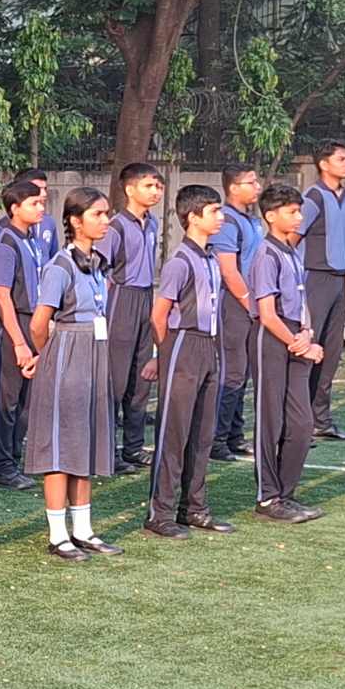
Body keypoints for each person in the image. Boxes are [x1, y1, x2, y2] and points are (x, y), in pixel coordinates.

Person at [25, 187, 123, 559]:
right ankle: (58, 535)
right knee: (60, 448)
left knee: (86, 443)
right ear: (75, 221)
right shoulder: (60, 266)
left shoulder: (98, 262)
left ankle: (83, 530)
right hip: (67, 355)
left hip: (94, 355)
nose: (105, 220)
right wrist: (47, 356)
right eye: (97, 214)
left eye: (106, 213)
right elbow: (39, 324)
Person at [142, 184, 232, 537]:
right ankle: (160, 513)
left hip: (208, 345)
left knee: (202, 433)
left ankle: (194, 508)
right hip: (183, 344)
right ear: (193, 217)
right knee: (174, 432)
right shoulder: (180, 262)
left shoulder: (211, 257)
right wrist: (163, 355)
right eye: (214, 211)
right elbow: (159, 315)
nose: (220, 217)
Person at [244, 184, 326, 523]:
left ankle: (286, 493)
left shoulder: (292, 251)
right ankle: (268, 498)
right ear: (270, 215)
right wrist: (297, 341)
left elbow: (301, 301)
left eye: (298, 210)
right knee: (270, 420)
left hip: (294, 336)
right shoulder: (266, 254)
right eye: (291, 211)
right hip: (272, 338)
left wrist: (307, 334)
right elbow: (267, 313)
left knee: (302, 423)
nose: (298, 217)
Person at [0, 177, 50, 490]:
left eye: (41, 202)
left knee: (26, 398)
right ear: (14, 208)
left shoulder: (31, 239)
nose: (40, 208)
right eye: (33, 203)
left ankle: (14, 457)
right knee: (7, 398)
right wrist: (19, 341)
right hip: (12, 325)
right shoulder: (6, 242)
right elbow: (2, 294)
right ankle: (1, 465)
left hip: (31, 321)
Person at [101, 161, 166, 473]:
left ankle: (134, 447)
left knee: (141, 379)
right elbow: (101, 271)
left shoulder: (152, 223)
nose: (155, 192)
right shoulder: (115, 227)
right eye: (148, 186)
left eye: (158, 186)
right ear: (129, 189)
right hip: (121, 300)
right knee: (115, 379)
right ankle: (106, 451)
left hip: (145, 297)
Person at [299, 140, 345, 441]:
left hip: (338, 280)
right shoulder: (313, 197)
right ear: (323, 164)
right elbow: (293, 236)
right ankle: (300, 421)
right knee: (310, 347)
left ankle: (321, 419)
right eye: (342, 159)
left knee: (332, 352)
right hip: (315, 279)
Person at [209, 164, 264, 464]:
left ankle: (234, 435)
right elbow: (229, 271)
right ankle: (216, 439)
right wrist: (250, 304)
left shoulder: (251, 219)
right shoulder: (227, 221)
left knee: (243, 373)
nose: (257, 187)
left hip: (249, 304)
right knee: (232, 371)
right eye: (250, 183)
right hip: (233, 304)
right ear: (233, 188)